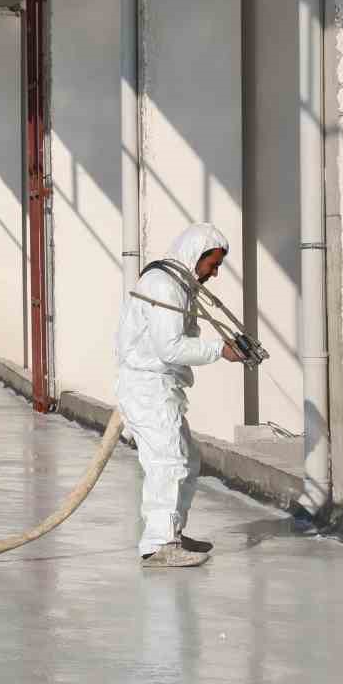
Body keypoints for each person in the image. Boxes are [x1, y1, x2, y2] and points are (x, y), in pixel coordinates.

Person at [115, 223, 246, 568]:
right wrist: (221, 350)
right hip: (148, 389)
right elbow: (169, 347)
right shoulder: (163, 286)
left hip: (160, 388)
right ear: (195, 255)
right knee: (167, 463)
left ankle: (171, 532)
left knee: (186, 460)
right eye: (212, 265)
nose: (214, 273)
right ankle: (159, 545)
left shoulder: (175, 285)